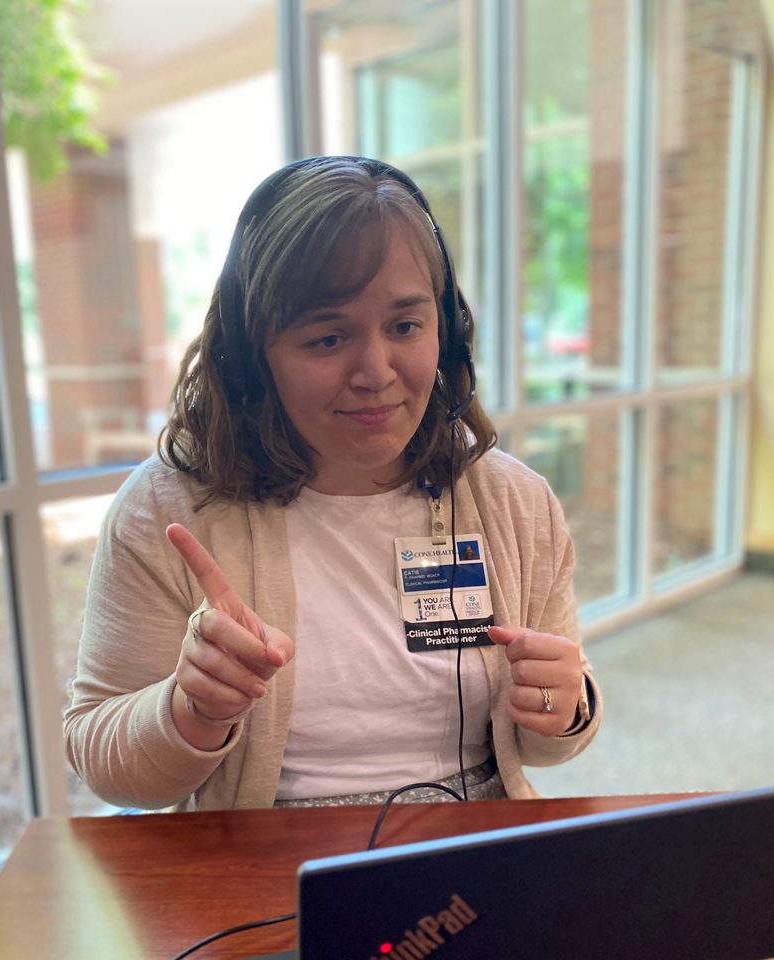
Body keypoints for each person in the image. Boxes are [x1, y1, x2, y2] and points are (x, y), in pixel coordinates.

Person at [64, 156, 601, 811]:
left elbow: (552, 739)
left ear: (449, 332)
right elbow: (103, 762)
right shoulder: (168, 510)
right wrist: (190, 710)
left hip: (470, 848)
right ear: (252, 359)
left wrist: (564, 705)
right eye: (326, 338)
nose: (375, 371)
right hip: (269, 862)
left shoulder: (515, 503)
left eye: (406, 326)